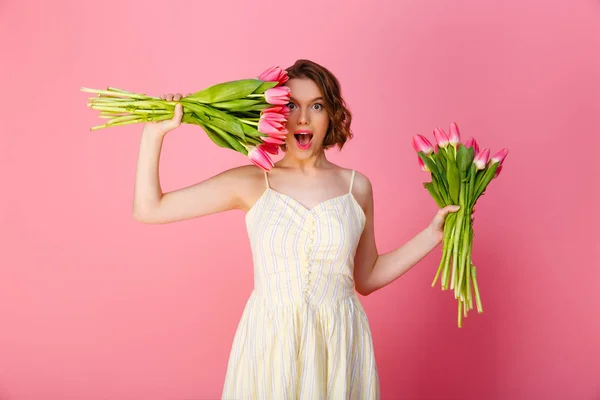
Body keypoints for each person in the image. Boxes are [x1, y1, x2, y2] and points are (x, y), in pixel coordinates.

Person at [132, 59, 463, 399]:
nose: (302, 118)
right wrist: (153, 134)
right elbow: (149, 209)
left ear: (331, 114)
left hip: (338, 344)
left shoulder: (356, 187)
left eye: (316, 105)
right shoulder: (251, 181)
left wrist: (432, 235)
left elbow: (366, 277)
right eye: (291, 105)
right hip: (270, 342)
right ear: (274, 112)